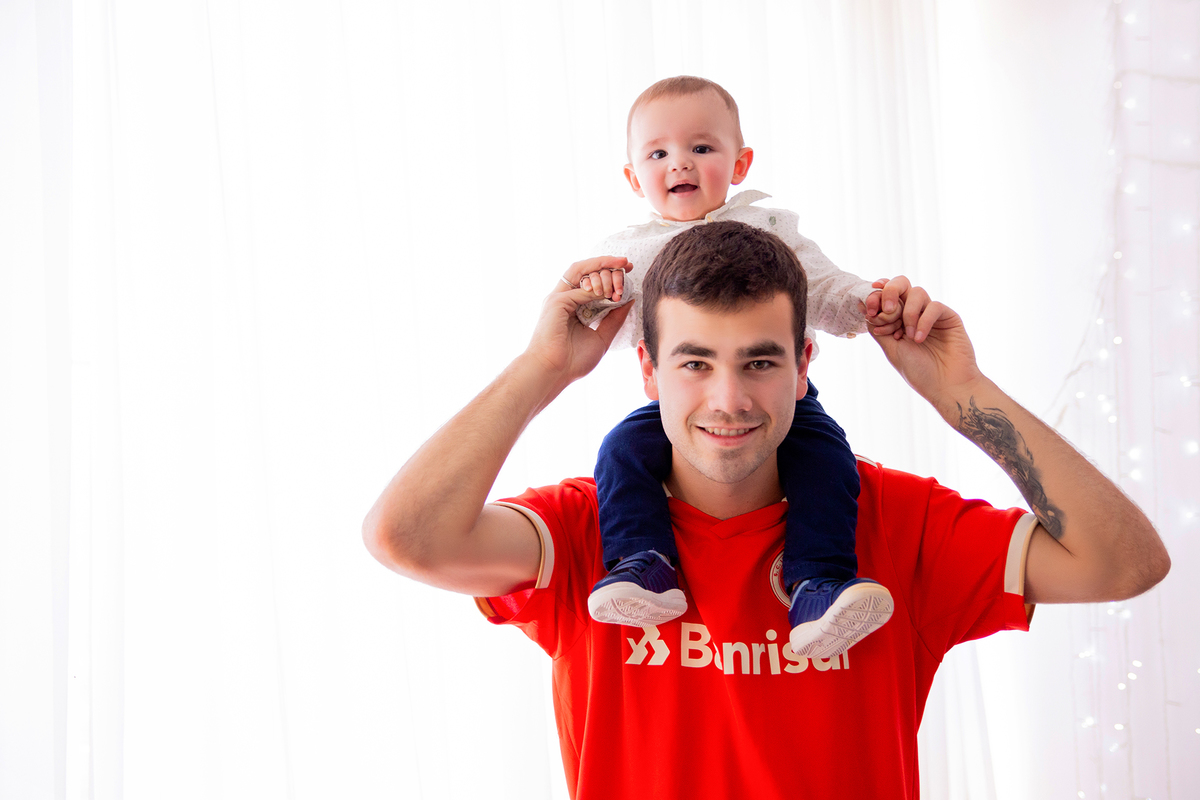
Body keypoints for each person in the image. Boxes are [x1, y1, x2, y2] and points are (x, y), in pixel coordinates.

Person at [362, 221, 1169, 799]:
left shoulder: (898, 520)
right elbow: (407, 536)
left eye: (759, 362)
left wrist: (964, 394)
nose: (728, 399)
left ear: (803, 364)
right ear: (647, 370)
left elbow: (1124, 563)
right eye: (694, 363)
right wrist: (544, 367)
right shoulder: (587, 529)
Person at [573, 75, 907, 658]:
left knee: (827, 458)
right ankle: (642, 563)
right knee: (621, 450)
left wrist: (869, 303)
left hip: (783, 402)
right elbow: (607, 324)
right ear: (633, 178)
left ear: (740, 163)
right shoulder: (631, 253)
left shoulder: (771, 230)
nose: (680, 163)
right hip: (679, 407)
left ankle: (819, 584)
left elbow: (824, 287)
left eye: (701, 148)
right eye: (658, 154)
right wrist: (592, 295)